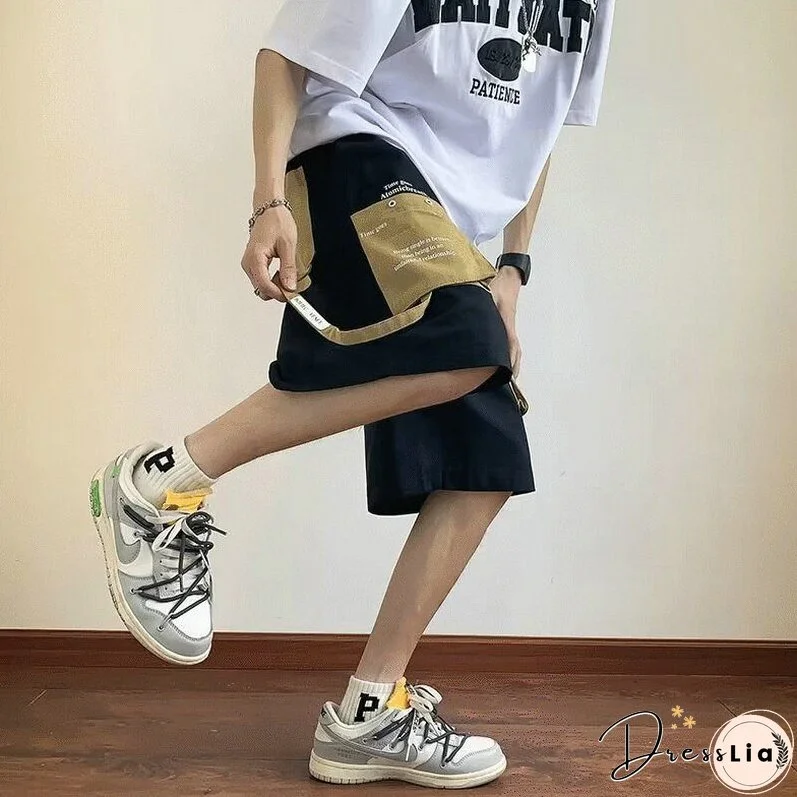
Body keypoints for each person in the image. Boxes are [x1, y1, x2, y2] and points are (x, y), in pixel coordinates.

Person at [88, 0, 615, 789]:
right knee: (463, 346)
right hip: (357, 147)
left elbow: (534, 130)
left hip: (449, 220)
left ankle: (369, 713)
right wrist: (269, 201)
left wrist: (512, 269)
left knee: (487, 458)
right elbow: (285, 56)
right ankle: (159, 481)